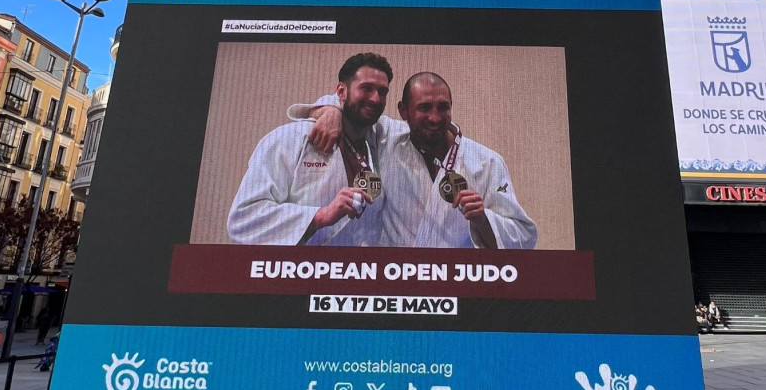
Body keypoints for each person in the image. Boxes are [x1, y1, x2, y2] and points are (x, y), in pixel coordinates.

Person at [296, 71, 538, 249]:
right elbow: (349, 106)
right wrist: (331, 112)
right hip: (394, 277)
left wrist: (482, 219)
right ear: (403, 111)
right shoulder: (388, 139)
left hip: (455, 281)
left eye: (443, 107)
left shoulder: (487, 161)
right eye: (424, 108)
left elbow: (523, 236)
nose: (435, 117)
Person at [227, 53, 393, 245]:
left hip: (358, 263)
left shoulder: (382, 141)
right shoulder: (288, 139)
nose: (375, 99)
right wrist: (320, 216)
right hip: (298, 262)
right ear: (341, 91)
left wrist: (329, 109)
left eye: (382, 92)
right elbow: (243, 219)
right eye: (366, 88)